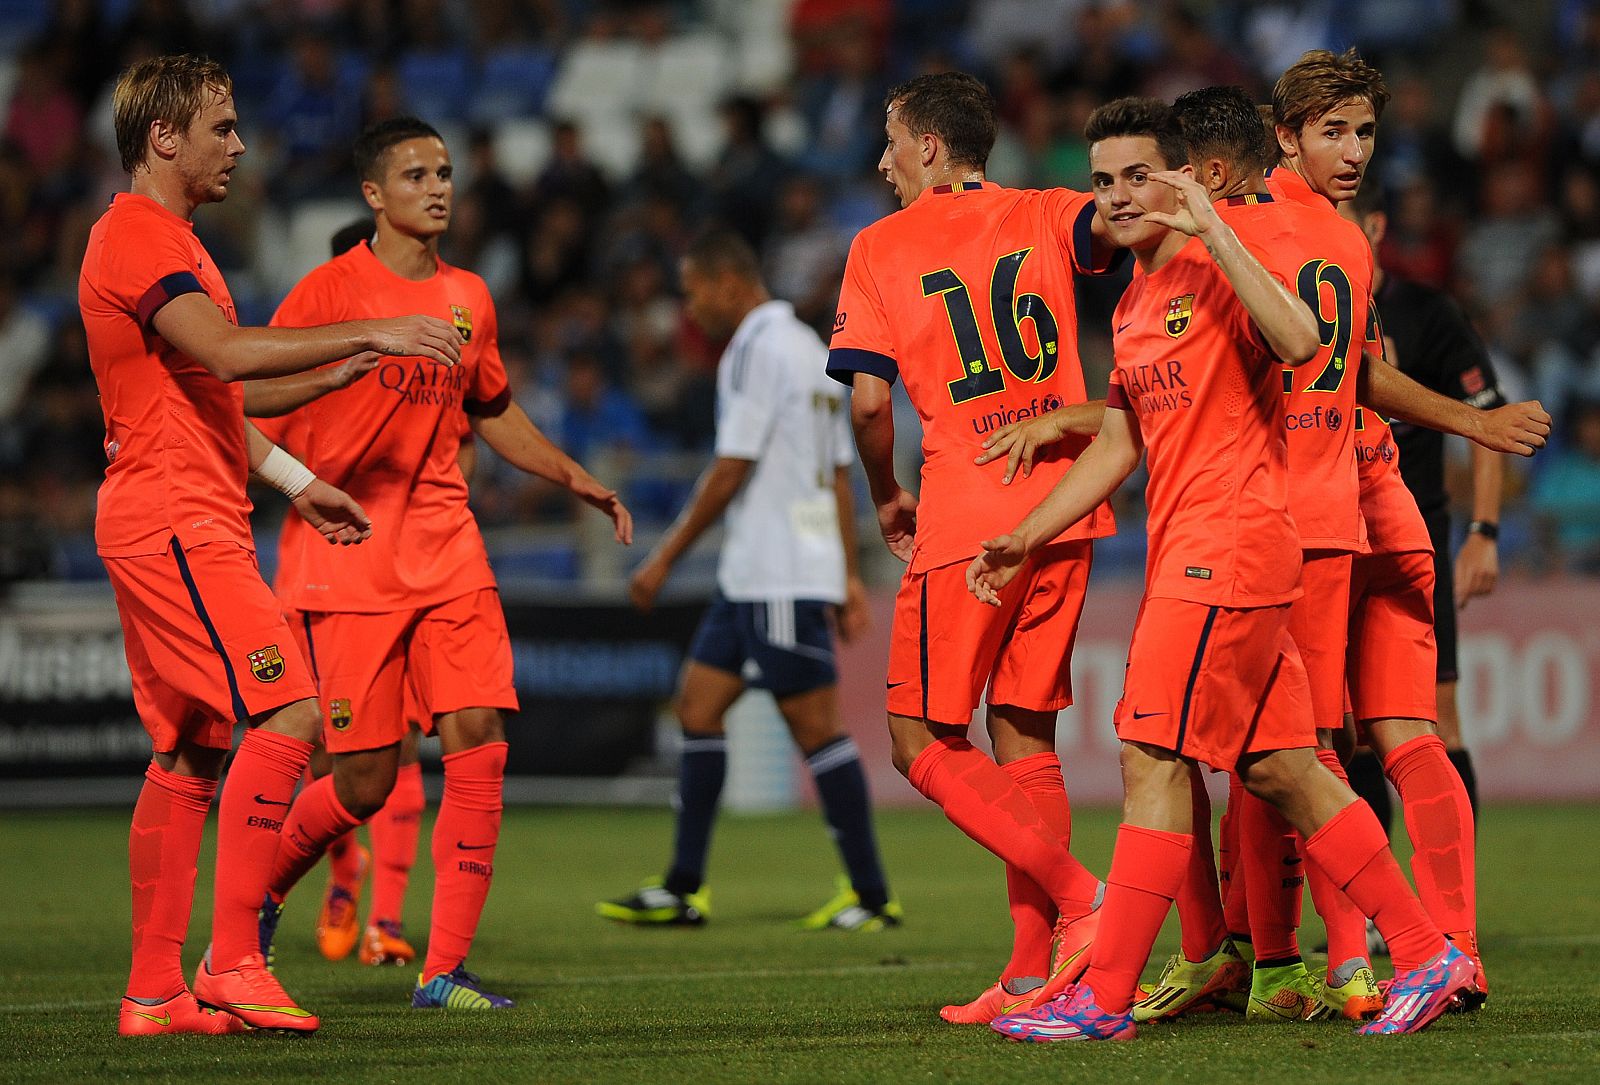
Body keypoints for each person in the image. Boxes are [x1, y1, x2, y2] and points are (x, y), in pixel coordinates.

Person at [972, 96, 1476, 1044]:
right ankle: (1427, 949)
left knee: (1151, 754)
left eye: (1137, 175)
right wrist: (1027, 532)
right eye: (1103, 180)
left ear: (1184, 176)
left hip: (1228, 547)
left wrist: (1211, 226)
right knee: (1285, 767)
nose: (1118, 196)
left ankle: (1105, 995)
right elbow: (1119, 442)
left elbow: (1301, 342)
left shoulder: (1216, 263)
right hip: (1207, 550)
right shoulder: (1130, 300)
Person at [86, 55, 464, 1037]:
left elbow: (221, 397)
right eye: (221, 126)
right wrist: (373, 330)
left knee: (189, 750)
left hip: (182, 508)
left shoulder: (170, 243)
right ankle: (237, 957)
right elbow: (227, 353)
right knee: (290, 711)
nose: (240, 144)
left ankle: (155, 991)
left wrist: (302, 480)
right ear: (164, 137)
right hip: (175, 518)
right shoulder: (137, 236)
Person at [244, 115, 632, 1011]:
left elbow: (492, 407)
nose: (438, 186)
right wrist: (348, 360)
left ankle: (442, 969)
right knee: (365, 781)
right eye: (415, 173)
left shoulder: (469, 299)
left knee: (480, 736)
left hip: (448, 546)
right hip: (349, 556)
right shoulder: (331, 291)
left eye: (446, 171)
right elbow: (248, 389)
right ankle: (261, 888)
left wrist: (573, 474)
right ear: (374, 195)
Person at [828, 71, 1119, 1023]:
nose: (880, 162)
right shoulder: (1046, 211)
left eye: (889, 140)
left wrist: (883, 494)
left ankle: (1085, 901)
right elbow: (1125, 225)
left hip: (968, 519)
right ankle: (1035, 974)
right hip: (1068, 506)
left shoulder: (878, 248)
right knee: (1024, 732)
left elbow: (868, 401)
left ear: (928, 148)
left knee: (918, 737)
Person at [596, 230, 899, 932]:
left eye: (694, 288)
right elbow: (837, 472)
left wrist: (665, 556)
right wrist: (849, 575)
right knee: (698, 707)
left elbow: (732, 467)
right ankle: (682, 886)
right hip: (755, 572)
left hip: (780, 573)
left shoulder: (758, 350)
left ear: (730, 281)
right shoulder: (806, 349)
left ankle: (873, 893)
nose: (690, 306)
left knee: (817, 728)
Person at [1341, 180, 1506, 826]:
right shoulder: (1304, 311)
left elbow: (1485, 418)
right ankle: (1374, 912)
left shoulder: (1428, 312)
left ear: (1376, 227)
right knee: (1345, 721)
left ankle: (1449, 906)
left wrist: (1485, 529)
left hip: (1417, 533)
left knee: (1436, 709)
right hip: (1337, 531)